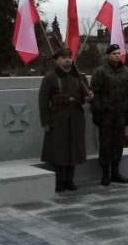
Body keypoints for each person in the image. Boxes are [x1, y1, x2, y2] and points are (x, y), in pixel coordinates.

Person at [38, 47, 90, 192]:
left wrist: (89, 97)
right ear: (57, 60)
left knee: (74, 149)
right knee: (59, 150)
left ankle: (70, 179)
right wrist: (46, 122)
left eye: (69, 57)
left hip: (76, 117)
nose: (67, 59)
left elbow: (86, 93)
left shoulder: (78, 76)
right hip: (58, 118)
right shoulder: (51, 77)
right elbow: (43, 101)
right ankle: (59, 180)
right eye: (63, 57)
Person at [90, 44, 128, 186]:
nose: (117, 55)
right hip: (106, 114)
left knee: (118, 144)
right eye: (114, 53)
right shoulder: (100, 72)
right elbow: (95, 94)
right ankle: (105, 174)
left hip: (120, 114)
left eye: (118, 53)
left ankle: (115, 172)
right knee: (105, 144)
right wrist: (97, 111)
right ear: (108, 55)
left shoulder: (126, 72)